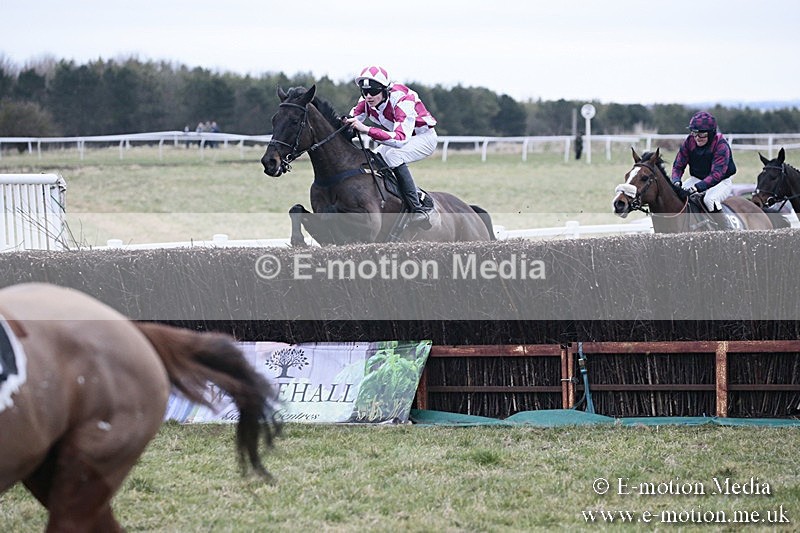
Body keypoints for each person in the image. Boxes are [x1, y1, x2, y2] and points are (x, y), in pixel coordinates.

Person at [344, 66, 438, 228]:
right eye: (364, 91)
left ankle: (417, 207)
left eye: (373, 91)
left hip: (423, 138)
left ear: (385, 89)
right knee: (373, 159)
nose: (368, 96)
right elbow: (350, 121)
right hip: (400, 138)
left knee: (393, 156)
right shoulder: (366, 101)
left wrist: (366, 129)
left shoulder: (403, 99)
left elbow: (401, 138)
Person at [670, 111, 736, 229]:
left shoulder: (721, 144)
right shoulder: (689, 142)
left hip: (721, 181)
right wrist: (676, 181)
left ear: (711, 134)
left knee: (710, 199)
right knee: (677, 196)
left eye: (701, 134)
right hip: (697, 178)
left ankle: (727, 231)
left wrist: (697, 188)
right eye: (694, 133)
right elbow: (678, 166)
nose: (697, 138)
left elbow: (716, 174)